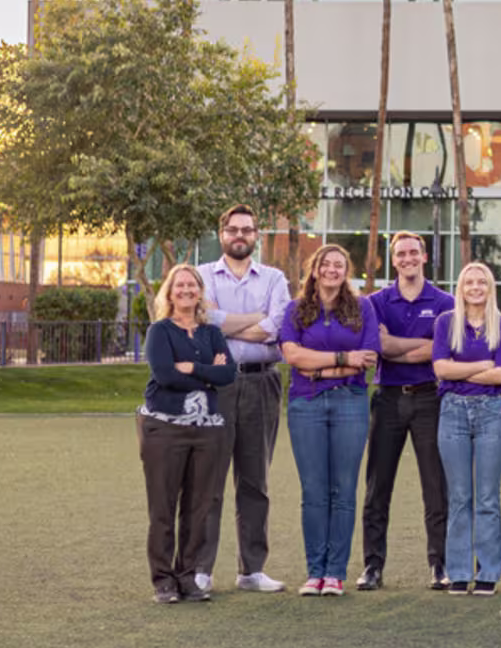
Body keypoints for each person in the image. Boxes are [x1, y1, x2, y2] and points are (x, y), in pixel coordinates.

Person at [194, 204, 290, 594]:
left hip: (261, 384)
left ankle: (251, 569)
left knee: (255, 480)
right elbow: (205, 323)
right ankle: (201, 568)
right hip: (214, 386)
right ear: (221, 234)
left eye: (247, 230)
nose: (239, 235)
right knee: (209, 480)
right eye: (233, 229)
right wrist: (255, 319)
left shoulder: (274, 278)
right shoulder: (201, 276)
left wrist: (225, 321)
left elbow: (278, 326)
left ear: (256, 236)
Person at [275, 244, 378, 597]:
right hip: (307, 403)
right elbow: (292, 355)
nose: (333, 270)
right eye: (326, 264)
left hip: (350, 401)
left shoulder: (363, 308)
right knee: (314, 491)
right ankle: (314, 572)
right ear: (315, 269)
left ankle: (335, 573)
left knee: (344, 490)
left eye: (340, 264)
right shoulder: (296, 309)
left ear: (346, 271)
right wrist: (340, 358)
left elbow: (366, 359)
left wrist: (319, 363)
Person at [358, 231, 455, 591]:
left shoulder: (445, 301)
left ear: (424, 257)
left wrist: (398, 347)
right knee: (377, 487)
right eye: (401, 254)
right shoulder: (376, 302)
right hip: (388, 399)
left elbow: (443, 349)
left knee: (436, 486)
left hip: (431, 397)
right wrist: (424, 345)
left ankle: (439, 565)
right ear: (392, 259)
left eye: (414, 252)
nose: (408, 258)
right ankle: (372, 566)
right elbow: (378, 346)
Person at [138, 264, 236, 603]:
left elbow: (229, 375)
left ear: (200, 292)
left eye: (192, 285)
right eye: (179, 285)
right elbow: (165, 375)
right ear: (170, 292)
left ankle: (188, 576)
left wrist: (194, 367)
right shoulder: (160, 331)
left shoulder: (211, 333)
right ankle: (163, 580)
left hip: (208, 430)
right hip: (164, 429)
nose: (186, 291)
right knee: (163, 506)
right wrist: (211, 372)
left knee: (199, 506)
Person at [432, 261, 501, 596]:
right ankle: (458, 572)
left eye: (482, 282)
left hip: (490, 412)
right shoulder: (446, 323)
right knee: (459, 496)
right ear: (461, 288)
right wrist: (483, 364)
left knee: (486, 497)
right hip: (452, 411)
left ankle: (488, 571)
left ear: (490, 287)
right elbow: (440, 368)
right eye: (469, 282)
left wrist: (461, 370)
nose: (476, 287)